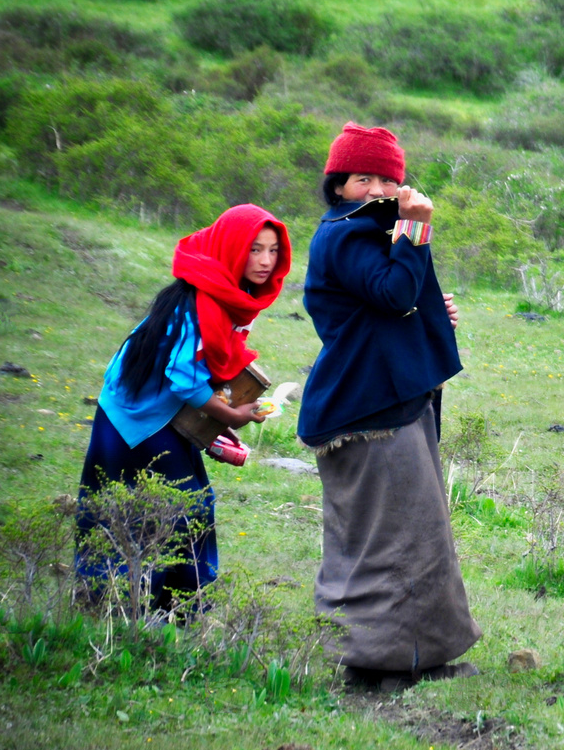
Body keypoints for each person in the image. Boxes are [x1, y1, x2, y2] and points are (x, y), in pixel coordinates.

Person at [298, 123, 480, 689]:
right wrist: (417, 229)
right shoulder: (348, 234)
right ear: (338, 185)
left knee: (413, 530)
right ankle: (376, 664)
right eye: (362, 179)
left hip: (387, 400)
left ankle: (417, 656)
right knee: (392, 537)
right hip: (371, 408)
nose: (375, 188)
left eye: (386, 178)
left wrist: (431, 311)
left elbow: (394, 307)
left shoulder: (373, 231)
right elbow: (393, 293)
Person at [78, 204, 291, 612]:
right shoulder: (203, 299)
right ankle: (149, 606)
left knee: (165, 501)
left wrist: (216, 420)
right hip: (135, 416)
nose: (266, 261)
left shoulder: (222, 290)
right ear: (231, 249)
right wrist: (229, 415)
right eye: (254, 250)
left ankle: (151, 605)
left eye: (273, 251)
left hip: (155, 410)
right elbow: (182, 375)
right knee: (178, 503)